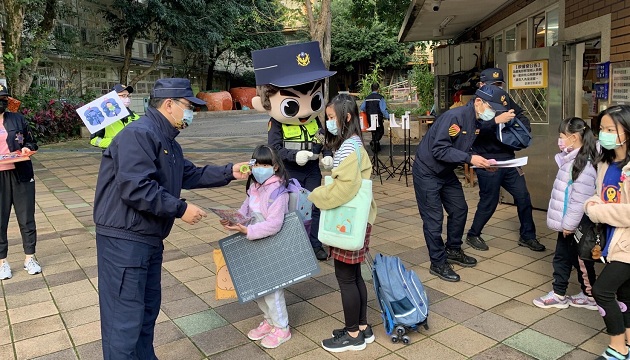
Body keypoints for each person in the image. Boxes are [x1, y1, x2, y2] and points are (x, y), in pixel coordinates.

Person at [93, 78, 249, 359]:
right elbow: (136, 187)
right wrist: (180, 208)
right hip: (124, 241)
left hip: (147, 238)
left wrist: (230, 172)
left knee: (146, 310)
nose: (191, 114)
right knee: (124, 319)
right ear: (169, 105)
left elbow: (189, 174)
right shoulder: (140, 134)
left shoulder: (166, 141)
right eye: (189, 107)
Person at [413, 85, 511, 282]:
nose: (492, 113)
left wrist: (481, 162)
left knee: (459, 209)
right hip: (427, 172)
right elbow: (439, 150)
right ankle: (438, 262)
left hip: (445, 172)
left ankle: (454, 250)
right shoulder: (454, 118)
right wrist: (470, 158)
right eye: (490, 108)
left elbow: (464, 147)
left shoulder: (476, 121)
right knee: (434, 220)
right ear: (478, 102)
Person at [251, 41, 336, 261]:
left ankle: (315, 244)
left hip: (312, 170)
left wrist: (327, 156)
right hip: (290, 171)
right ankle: (293, 245)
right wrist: (292, 156)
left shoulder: (316, 120)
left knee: (315, 206)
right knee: (291, 209)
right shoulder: (277, 123)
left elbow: (324, 141)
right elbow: (274, 149)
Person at [309, 94, 377, 353]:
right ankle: (361, 327)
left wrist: (315, 195)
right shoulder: (354, 142)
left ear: (346, 117)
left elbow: (343, 190)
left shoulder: (349, 147)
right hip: (358, 221)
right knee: (355, 275)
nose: (329, 122)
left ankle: (352, 336)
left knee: (346, 278)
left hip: (347, 222)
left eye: (331, 117)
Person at [465, 68, 546, 252]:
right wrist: (495, 121)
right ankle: (473, 234)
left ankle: (528, 236)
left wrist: (519, 129)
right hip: (487, 161)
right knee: (489, 201)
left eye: (499, 85)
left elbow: (521, 115)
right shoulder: (474, 105)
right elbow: (472, 130)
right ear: (481, 85)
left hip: (509, 159)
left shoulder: (504, 98)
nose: (497, 88)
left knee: (523, 197)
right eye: (492, 85)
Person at [221, 145, 292, 349]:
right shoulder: (254, 186)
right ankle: (269, 321)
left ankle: (282, 327)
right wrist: (232, 222)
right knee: (259, 286)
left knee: (272, 288)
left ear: (275, 167)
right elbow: (244, 211)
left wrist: (247, 231)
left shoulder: (279, 191)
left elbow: (274, 224)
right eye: (256, 164)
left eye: (264, 164)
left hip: (270, 243)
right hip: (254, 243)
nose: (259, 169)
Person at [533, 117, 598, 310]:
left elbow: (580, 200)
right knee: (573, 259)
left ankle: (561, 294)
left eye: (562, 136)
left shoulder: (583, 164)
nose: (560, 140)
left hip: (575, 224)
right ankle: (587, 294)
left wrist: (569, 225)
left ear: (575, 137)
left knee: (572, 259)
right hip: (570, 222)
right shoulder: (571, 158)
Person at [585, 105, 630, 360]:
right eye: (601, 129)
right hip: (612, 240)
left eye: (611, 129)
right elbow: (599, 196)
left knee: (602, 291)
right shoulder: (606, 162)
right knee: (625, 294)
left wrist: (596, 211)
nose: (604, 134)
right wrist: (590, 204)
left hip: (628, 244)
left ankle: (617, 348)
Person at [0, 84, 40, 280]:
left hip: (21, 173)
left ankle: (29, 258)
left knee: (26, 217)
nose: (2, 102)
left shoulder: (17, 119)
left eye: (4, 99)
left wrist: (27, 149)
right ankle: (2, 262)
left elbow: (31, 142)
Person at [90, 84, 140, 148]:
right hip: (112, 155)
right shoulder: (103, 118)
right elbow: (94, 140)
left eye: (128, 96)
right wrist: (115, 143)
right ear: (113, 98)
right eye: (123, 95)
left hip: (132, 155)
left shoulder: (136, 117)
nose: (127, 98)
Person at [360, 83, 390, 152]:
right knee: (380, 131)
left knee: (373, 131)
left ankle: (375, 145)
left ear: (371, 89)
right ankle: (375, 142)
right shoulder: (380, 98)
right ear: (378, 89)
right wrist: (388, 116)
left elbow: (362, 107)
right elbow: (383, 109)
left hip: (369, 117)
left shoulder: (367, 98)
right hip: (378, 117)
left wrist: (368, 110)